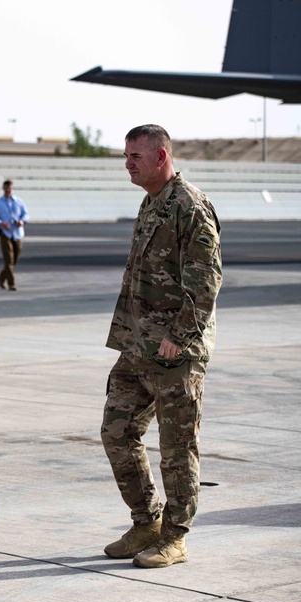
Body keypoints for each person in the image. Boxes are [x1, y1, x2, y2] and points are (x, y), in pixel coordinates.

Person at [101, 124, 222, 569]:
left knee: (177, 447)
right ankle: (146, 522)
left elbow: (205, 279)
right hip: (137, 346)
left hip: (174, 354)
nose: (128, 163)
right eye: (126, 156)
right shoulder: (152, 202)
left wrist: (181, 336)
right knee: (117, 432)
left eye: (135, 156)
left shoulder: (189, 206)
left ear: (161, 156)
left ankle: (175, 537)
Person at [0, 179, 28, 290]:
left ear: (12, 189)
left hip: (17, 233)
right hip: (5, 234)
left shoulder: (19, 201)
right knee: (9, 260)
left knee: (15, 259)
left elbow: (26, 214)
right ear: (3, 189)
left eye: (9, 188)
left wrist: (22, 221)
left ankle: (1, 277)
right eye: (6, 188)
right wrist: (0, 223)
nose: (8, 190)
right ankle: (11, 283)